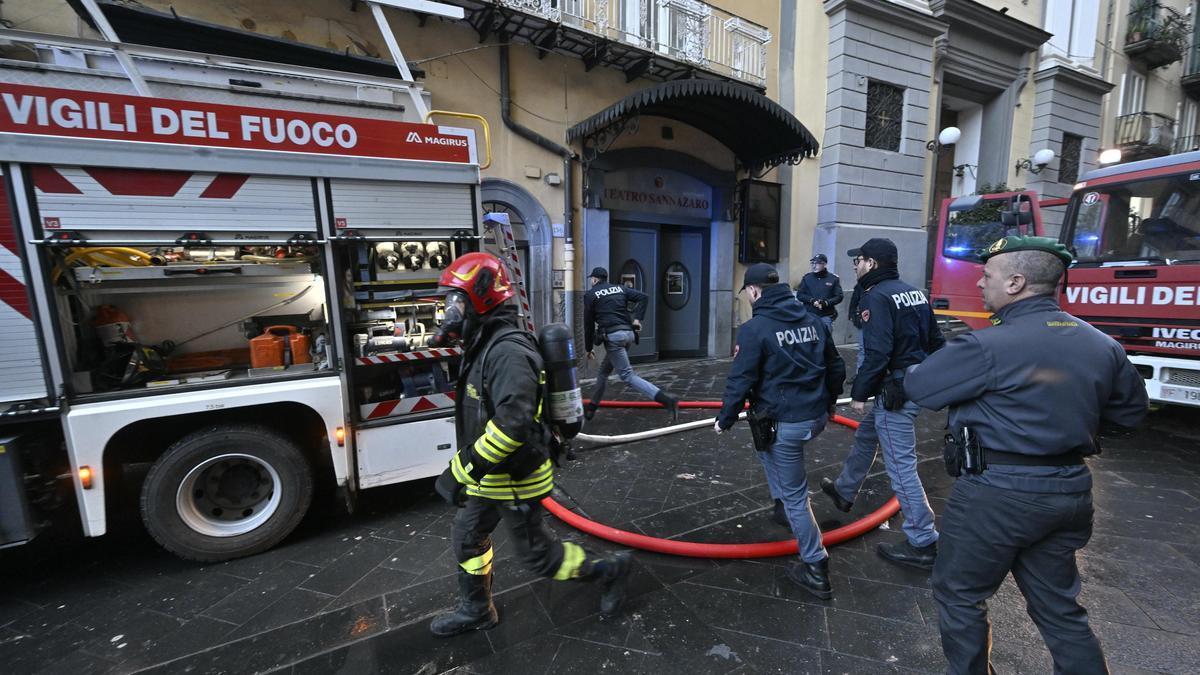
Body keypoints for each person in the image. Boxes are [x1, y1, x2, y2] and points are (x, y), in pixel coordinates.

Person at [904, 236, 1148, 674]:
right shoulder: (1101, 343)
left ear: (1016, 282)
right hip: (1069, 490)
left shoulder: (988, 345)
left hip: (997, 493)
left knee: (959, 593)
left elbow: (921, 387)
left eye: (988, 276)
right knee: (1059, 607)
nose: (980, 284)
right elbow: (1129, 415)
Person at [430, 252, 632, 638]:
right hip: (493, 475)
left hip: (515, 477)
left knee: (540, 556)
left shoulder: (507, 351)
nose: (449, 310)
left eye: (454, 300)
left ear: (480, 299)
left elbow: (513, 425)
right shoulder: (485, 341)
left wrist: (461, 470)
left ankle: (608, 570)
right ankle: (476, 608)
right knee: (468, 536)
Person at [714, 263, 846, 600]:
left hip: (787, 422)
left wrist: (726, 417)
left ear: (755, 291)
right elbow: (835, 366)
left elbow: (741, 379)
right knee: (765, 447)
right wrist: (829, 403)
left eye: (748, 293)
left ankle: (816, 567)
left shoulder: (755, 329)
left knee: (796, 494)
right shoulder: (812, 320)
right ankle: (782, 508)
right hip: (813, 414)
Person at [820, 238, 945, 570]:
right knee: (866, 436)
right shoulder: (913, 292)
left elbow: (877, 353)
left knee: (901, 466)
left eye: (858, 260)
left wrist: (860, 393)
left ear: (872, 264)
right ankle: (845, 491)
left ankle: (924, 540)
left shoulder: (876, 298)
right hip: (911, 383)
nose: (855, 266)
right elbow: (936, 341)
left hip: (894, 390)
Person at [583, 266, 680, 422]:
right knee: (603, 372)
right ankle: (592, 408)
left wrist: (588, 348)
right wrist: (637, 320)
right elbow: (643, 297)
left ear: (594, 280)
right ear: (605, 279)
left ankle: (668, 400)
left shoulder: (590, 295)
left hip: (613, 338)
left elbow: (588, 325)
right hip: (628, 334)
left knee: (628, 376)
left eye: (592, 279)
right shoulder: (619, 288)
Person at [794, 253, 843, 333]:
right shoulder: (807, 278)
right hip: (808, 315)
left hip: (825, 315)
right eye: (813, 263)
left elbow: (839, 296)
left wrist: (826, 303)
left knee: (825, 339)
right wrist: (812, 300)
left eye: (817, 263)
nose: (814, 266)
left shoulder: (833, 279)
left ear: (824, 264)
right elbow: (800, 295)